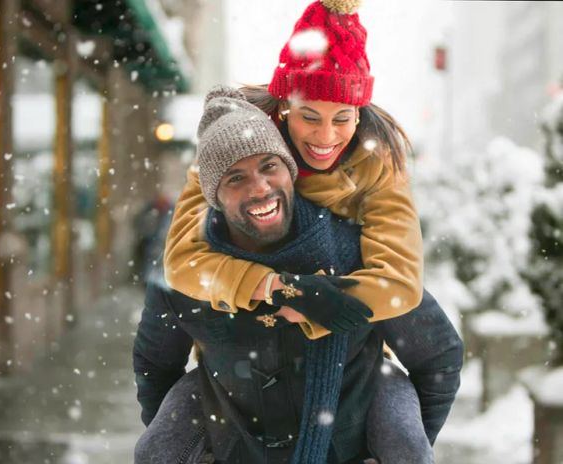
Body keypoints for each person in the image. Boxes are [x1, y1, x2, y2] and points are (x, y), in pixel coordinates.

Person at [133, 86, 463, 463]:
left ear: (291, 172)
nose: (260, 188)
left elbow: (439, 356)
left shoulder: (354, 254)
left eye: (269, 166)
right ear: (214, 197)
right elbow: (155, 365)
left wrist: (408, 446)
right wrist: (204, 446)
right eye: (235, 179)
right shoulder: (187, 273)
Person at [163, 0, 423, 339]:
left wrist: (320, 303)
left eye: (342, 119)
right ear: (285, 107)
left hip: (346, 348)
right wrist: (278, 287)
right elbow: (183, 261)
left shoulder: (377, 163)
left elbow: (399, 283)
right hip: (237, 344)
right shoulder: (232, 141)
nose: (326, 137)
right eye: (310, 117)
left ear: (358, 114)